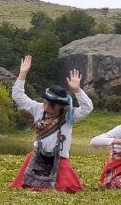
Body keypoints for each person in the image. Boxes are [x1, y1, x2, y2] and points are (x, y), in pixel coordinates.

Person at [9, 55, 93, 193]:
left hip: (60, 159)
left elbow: (87, 108)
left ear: (59, 106)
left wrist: (77, 90)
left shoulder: (69, 116)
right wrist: (23, 73)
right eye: (45, 102)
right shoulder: (38, 109)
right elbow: (18, 96)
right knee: (26, 185)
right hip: (38, 157)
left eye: (50, 104)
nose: (45, 106)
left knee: (69, 188)